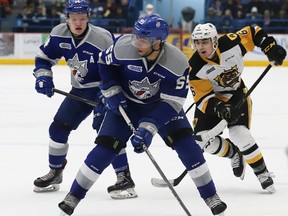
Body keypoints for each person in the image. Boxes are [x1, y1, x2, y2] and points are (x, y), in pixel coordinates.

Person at [58, 15, 227, 216]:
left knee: (188, 148)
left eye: (143, 40)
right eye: (136, 36)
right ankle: (74, 196)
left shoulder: (177, 62)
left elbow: (173, 102)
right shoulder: (123, 46)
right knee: (104, 149)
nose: (136, 43)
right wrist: (111, 89)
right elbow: (104, 62)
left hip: (160, 106)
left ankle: (210, 196)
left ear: (157, 42)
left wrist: (149, 127)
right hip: (126, 106)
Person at [32, 0, 137, 199]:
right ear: (67, 19)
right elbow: (43, 58)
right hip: (80, 91)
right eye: (74, 19)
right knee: (58, 128)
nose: (78, 23)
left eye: (82, 18)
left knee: (108, 134)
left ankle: (124, 176)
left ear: (88, 17)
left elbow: (120, 67)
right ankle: (55, 172)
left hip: (104, 91)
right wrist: (43, 76)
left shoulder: (102, 38)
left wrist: (111, 93)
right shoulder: (58, 34)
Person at [188, 23, 286, 193]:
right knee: (202, 140)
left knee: (239, 133)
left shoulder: (231, 43)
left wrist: (270, 47)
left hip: (236, 94)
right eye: (197, 42)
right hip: (214, 100)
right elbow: (203, 98)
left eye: (205, 41)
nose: (200, 46)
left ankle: (262, 173)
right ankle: (234, 153)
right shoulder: (195, 66)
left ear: (214, 41)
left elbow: (253, 31)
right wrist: (220, 108)